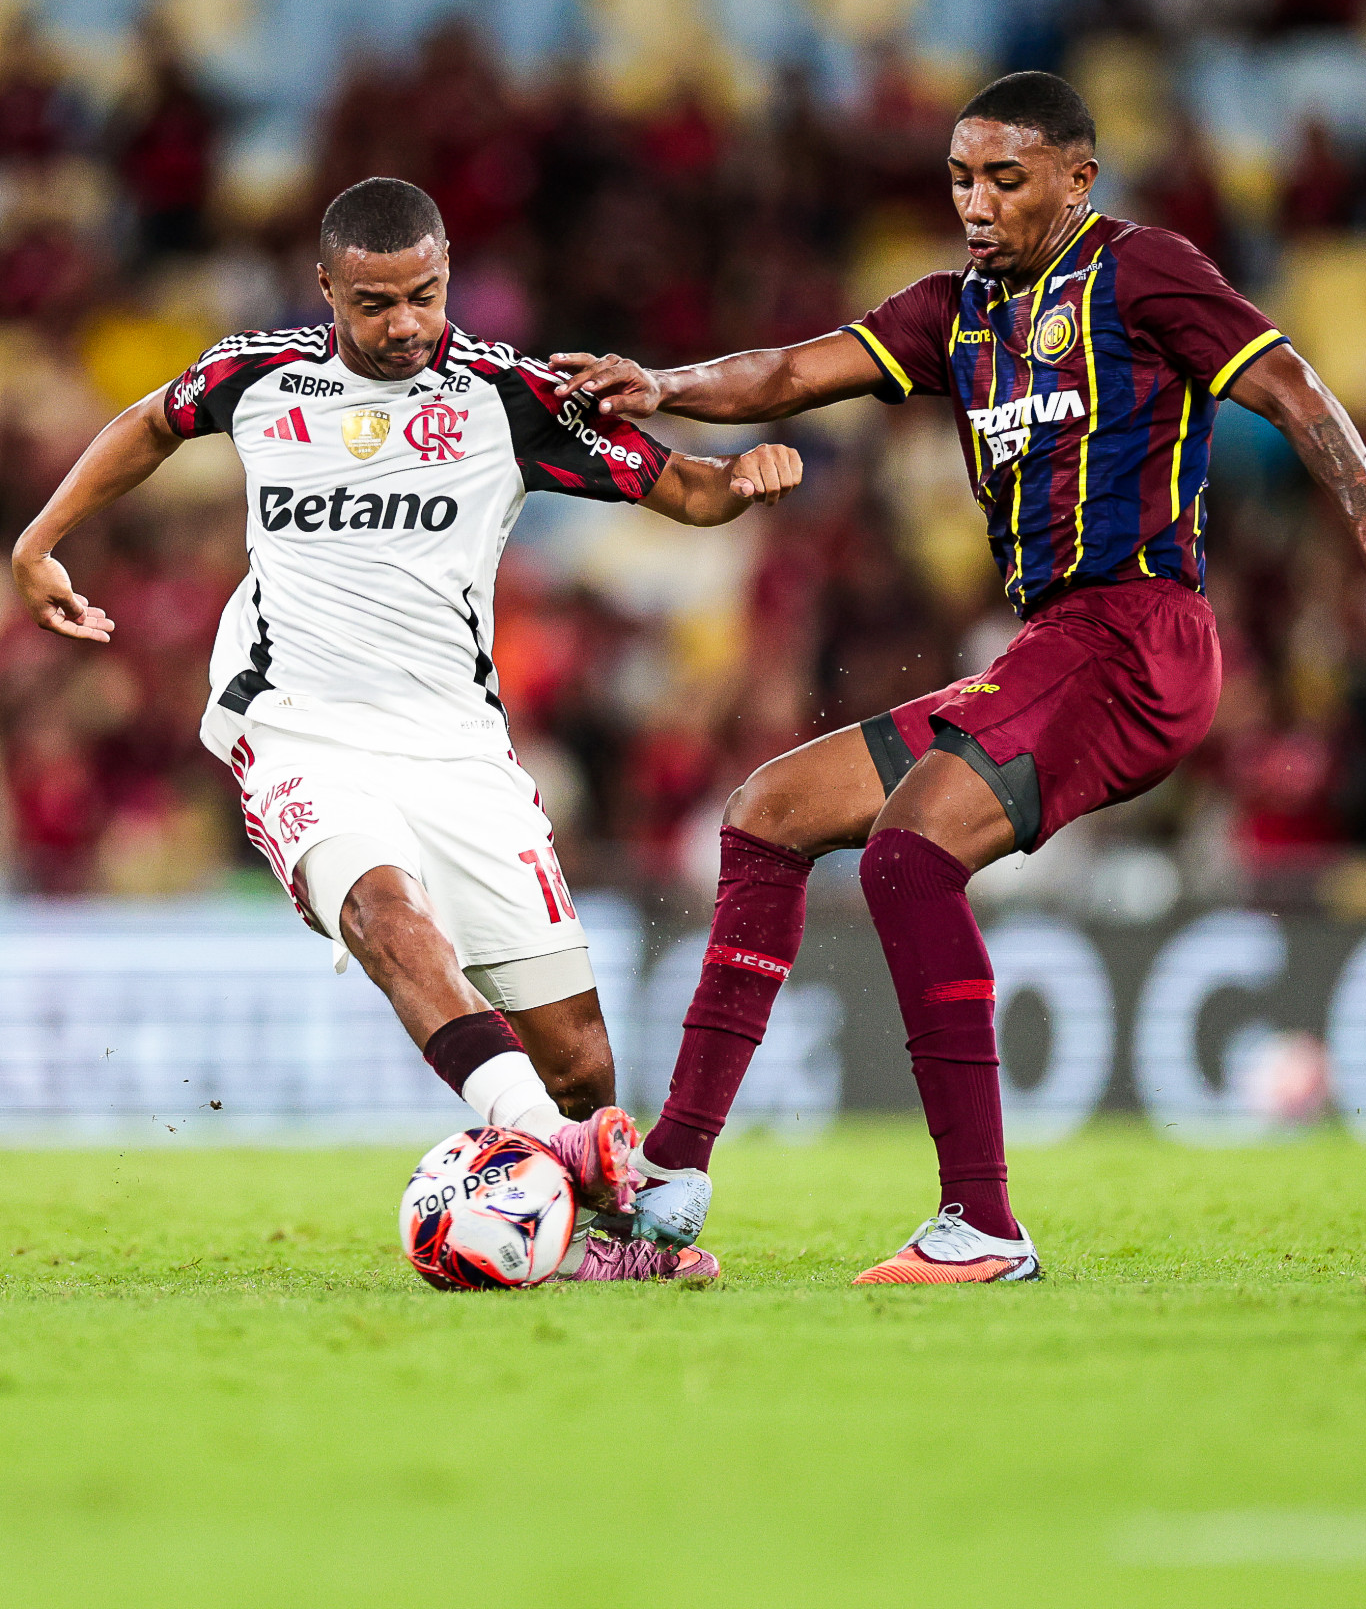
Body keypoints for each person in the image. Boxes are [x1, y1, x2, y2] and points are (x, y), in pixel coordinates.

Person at [549, 71, 1366, 1285]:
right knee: (767, 813)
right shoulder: (955, 311)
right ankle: (667, 1189)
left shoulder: (1141, 274)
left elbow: (1291, 387)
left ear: (1077, 179)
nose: (975, 203)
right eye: (959, 179)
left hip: (1137, 633)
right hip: (1051, 646)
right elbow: (785, 373)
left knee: (906, 856)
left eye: (1005, 178)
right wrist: (666, 386)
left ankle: (981, 1225)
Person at [12, 176, 802, 1286]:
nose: (403, 325)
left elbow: (686, 492)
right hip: (297, 728)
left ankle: (611, 1241)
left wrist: (745, 477)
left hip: (457, 748)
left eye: (423, 297)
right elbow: (150, 423)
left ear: (447, 277)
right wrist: (40, 540)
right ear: (326, 288)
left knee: (578, 1055)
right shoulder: (256, 376)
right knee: (388, 917)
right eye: (374, 303)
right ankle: (554, 1144)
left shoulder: (507, 399)